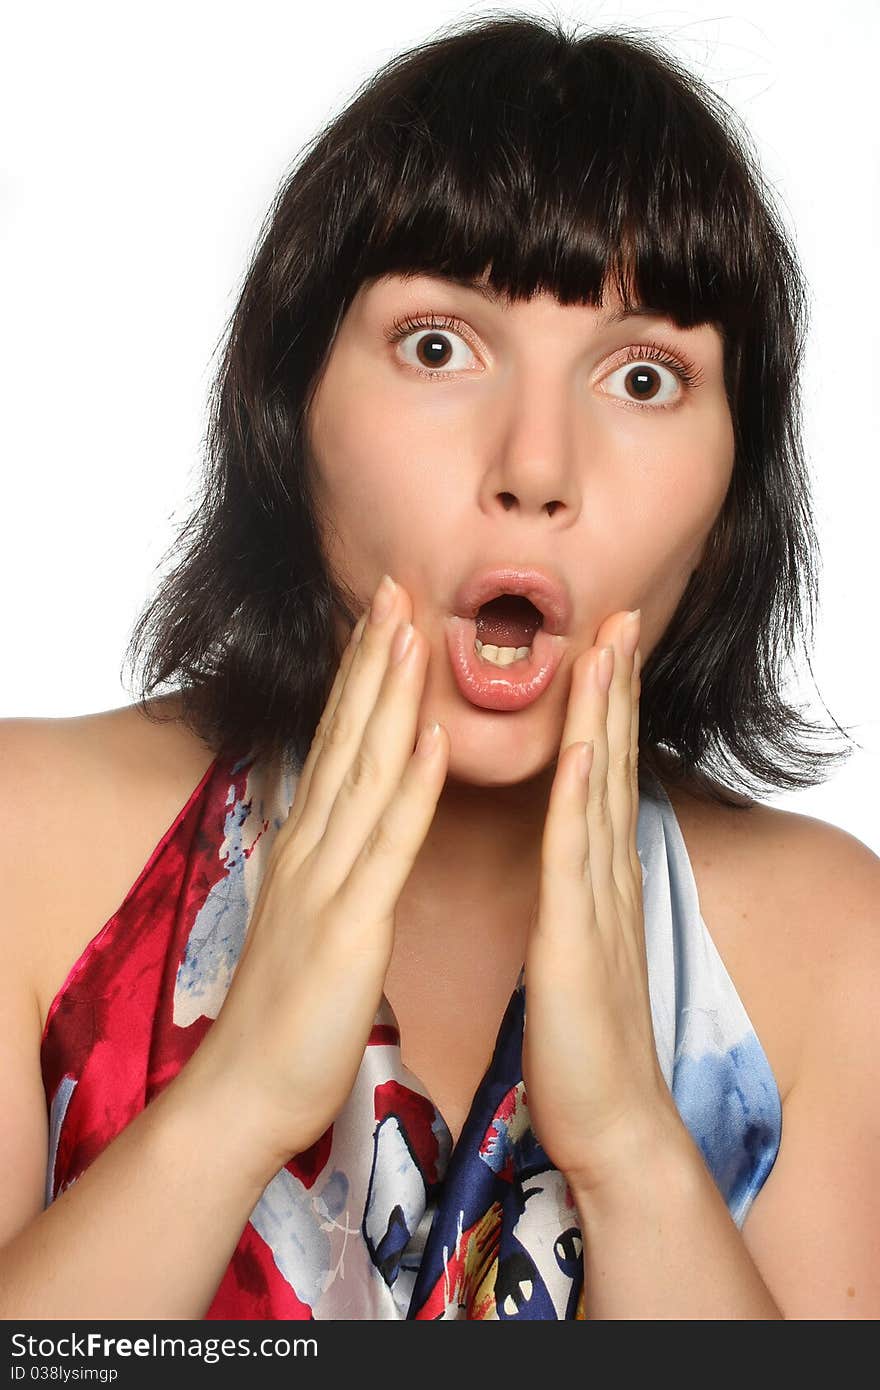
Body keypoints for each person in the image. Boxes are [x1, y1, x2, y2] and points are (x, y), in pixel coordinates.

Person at [1, 10, 877, 1321]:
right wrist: (234, 1102)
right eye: (437, 346)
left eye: (643, 377)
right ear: (288, 408)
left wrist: (636, 1151)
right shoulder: (33, 842)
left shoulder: (823, 947)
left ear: (734, 489)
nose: (535, 466)